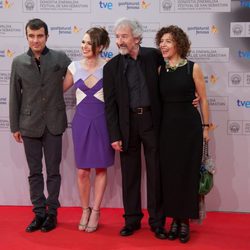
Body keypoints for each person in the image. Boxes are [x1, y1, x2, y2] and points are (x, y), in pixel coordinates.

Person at [103, 18, 167, 239]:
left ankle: (158, 222)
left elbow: (175, 76)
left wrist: (192, 95)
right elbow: (109, 105)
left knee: (156, 172)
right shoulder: (111, 67)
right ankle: (131, 220)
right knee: (130, 174)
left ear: (137, 38)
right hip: (127, 125)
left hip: (152, 122)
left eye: (124, 36)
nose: (119, 41)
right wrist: (114, 135)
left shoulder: (153, 56)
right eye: (117, 37)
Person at [9, 18, 71, 232]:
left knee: (53, 171)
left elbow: (77, 75)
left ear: (46, 36)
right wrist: (14, 126)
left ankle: (52, 213)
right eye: (31, 36)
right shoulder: (18, 62)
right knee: (34, 172)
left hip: (54, 122)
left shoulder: (60, 58)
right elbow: (14, 96)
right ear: (26, 37)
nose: (36, 40)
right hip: (28, 124)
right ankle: (39, 213)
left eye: (40, 36)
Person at [155, 25, 210, 243]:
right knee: (170, 174)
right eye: (161, 41)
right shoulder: (160, 69)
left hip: (190, 128)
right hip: (167, 128)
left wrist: (206, 127)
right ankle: (174, 220)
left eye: (168, 41)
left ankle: (185, 221)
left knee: (187, 174)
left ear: (178, 43)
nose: (163, 45)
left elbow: (203, 99)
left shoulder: (192, 68)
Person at [63, 27, 114, 232]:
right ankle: (85, 209)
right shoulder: (73, 67)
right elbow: (56, 89)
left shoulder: (109, 67)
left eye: (89, 42)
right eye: (82, 42)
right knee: (82, 171)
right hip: (81, 122)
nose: (84, 46)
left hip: (103, 121)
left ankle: (96, 211)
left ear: (100, 46)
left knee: (101, 168)